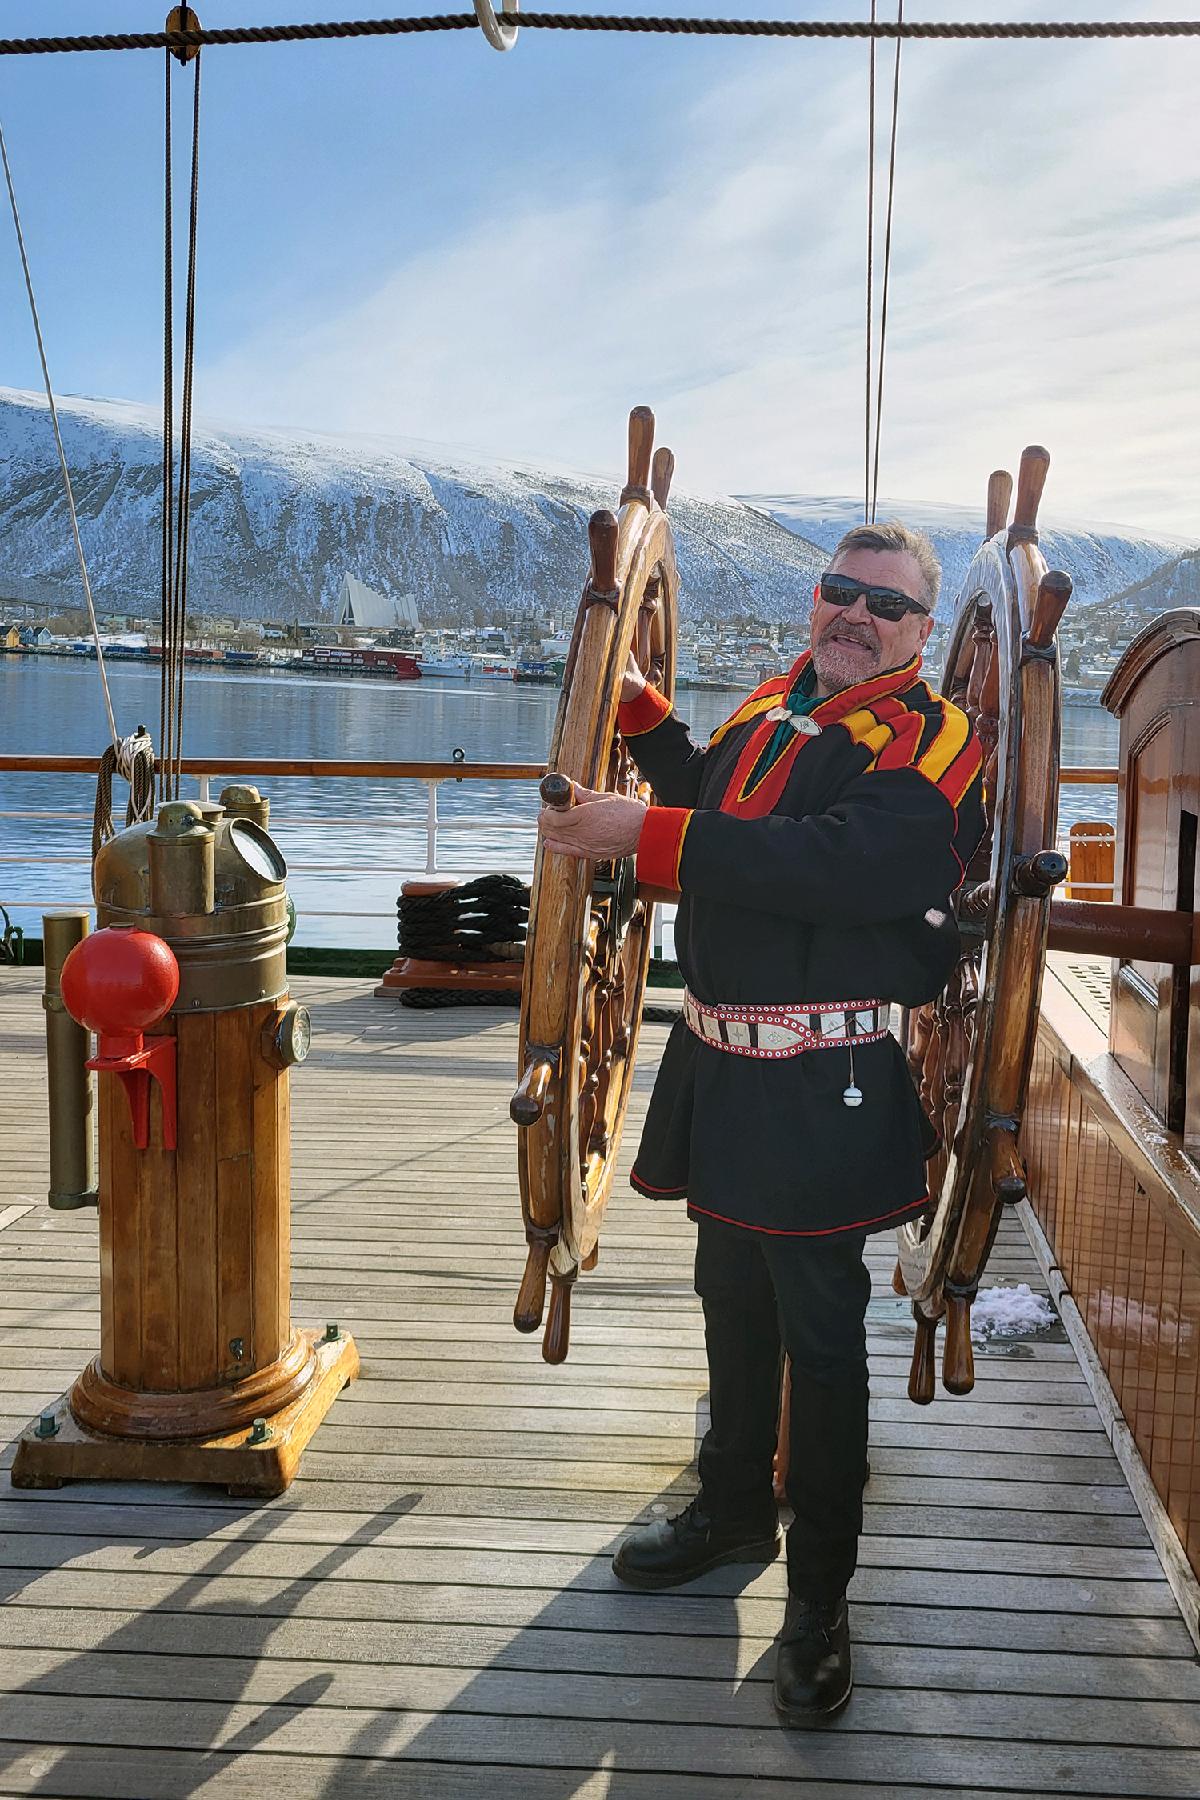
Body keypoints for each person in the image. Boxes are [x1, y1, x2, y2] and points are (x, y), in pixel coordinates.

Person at [537, 520, 984, 1729]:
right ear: (813, 603)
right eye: (837, 591)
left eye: (882, 605)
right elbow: (710, 797)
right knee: (727, 1297)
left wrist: (652, 840)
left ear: (919, 631)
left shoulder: (932, 741)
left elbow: (844, 869)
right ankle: (733, 1507)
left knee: (824, 1346)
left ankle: (822, 1598)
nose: (853, 615)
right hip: (723, 1061)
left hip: (825, 1081)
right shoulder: (771, 706)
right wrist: (641, 721)